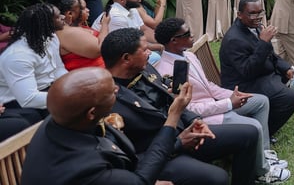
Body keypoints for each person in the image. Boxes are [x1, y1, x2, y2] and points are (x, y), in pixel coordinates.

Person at [102, 27, 288, 184]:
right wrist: (178, 143)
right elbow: (135, 152)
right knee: (218, 178)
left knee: (249, 133)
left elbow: (172, 102)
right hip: (163, 155)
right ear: (126, 58)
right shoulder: (110, 99)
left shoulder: (145, 69)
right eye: (144, 50)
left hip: (186, 132)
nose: (150, 53)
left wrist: (196, 121)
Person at [153, 18, 289, 174]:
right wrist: (228, 104)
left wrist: (233, 94)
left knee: (260, 101)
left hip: (216, 104)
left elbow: (208, 86)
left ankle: (263, 155)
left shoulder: (189, 56)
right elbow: (188, 109)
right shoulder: (167, 71)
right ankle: (263, 172)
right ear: (174, 41)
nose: (192, 35)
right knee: (254, 126)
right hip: (204, 118)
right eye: (188, 33)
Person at [20, 67, 193, 185]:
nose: (117, 89)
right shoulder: (85, 168)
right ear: (91, 113)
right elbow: (139, 182)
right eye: (111, 92)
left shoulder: (61, 120)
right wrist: (173, 116)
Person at [220, 0, 294, 137]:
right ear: (239, 14)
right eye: (252, 13)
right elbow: (247, 71)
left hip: (261, 74)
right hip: (243, 84)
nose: (257, 17)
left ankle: (264, 125)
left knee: (293, 81)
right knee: (289, 98)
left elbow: (270, 54)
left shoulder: (254, 26)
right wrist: (263, 42)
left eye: (260, 13)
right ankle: (262, 133)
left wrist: (286, 68)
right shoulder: (234, 39)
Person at [0, 3, 67, 125]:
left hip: (45, 91)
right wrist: (68, 97)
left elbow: (59, 70)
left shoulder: (50, 38)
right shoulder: (18, 56)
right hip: (16, 102)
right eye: (57, 17)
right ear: (44, 23)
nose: (63, 17)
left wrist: (75, 86)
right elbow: (28, 99)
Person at [54, 0, 107, 70]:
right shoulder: (67, 33)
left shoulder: (76, 26)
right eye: (84, 8)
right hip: (88, 78)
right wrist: (105, 25)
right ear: (70, 14)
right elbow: (100, 49)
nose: (88, 10)